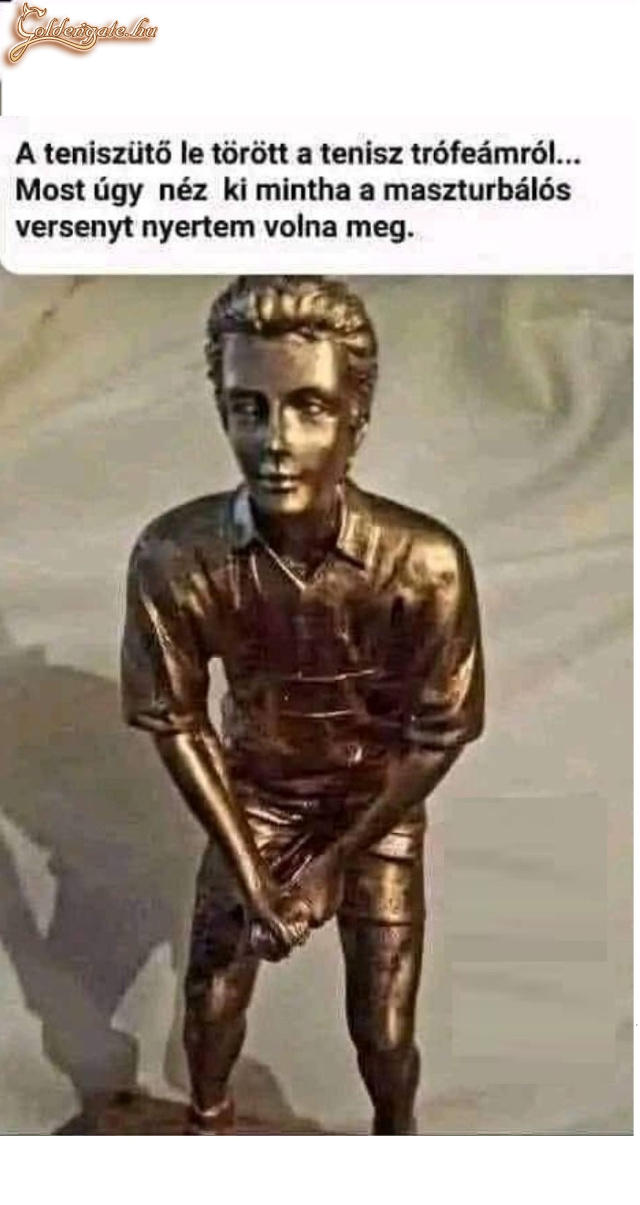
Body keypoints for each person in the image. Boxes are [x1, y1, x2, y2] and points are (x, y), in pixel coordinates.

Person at [120, 275, 485, 1135]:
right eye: (247, 409)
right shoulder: (176, 556)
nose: (275, 441)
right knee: (210, 998)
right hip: (252, 797)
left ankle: (397, 1142)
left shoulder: (425, 563)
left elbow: (440, 731)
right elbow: (177, 719)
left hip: (374, 805)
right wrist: (252, 877)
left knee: (384, 1032)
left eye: (309, 407)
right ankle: (208, 1128)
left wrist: (333, 863)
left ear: (357, 417)